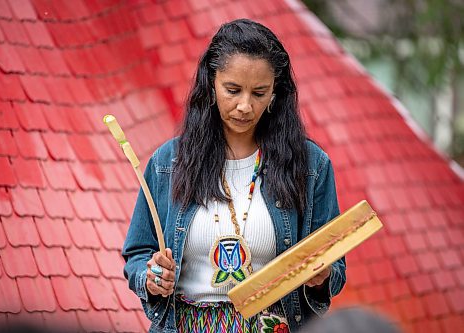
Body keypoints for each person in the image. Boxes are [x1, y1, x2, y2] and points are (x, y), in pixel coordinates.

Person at [122, 18, 345, 332]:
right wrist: (153, 277)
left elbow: (334, 266)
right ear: (211, 84)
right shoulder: (168, 162)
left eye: (259, 93)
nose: (244, 106)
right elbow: (138, 252)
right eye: (233, 90)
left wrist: (321, 276)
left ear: (275, 94)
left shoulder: (310, 166)